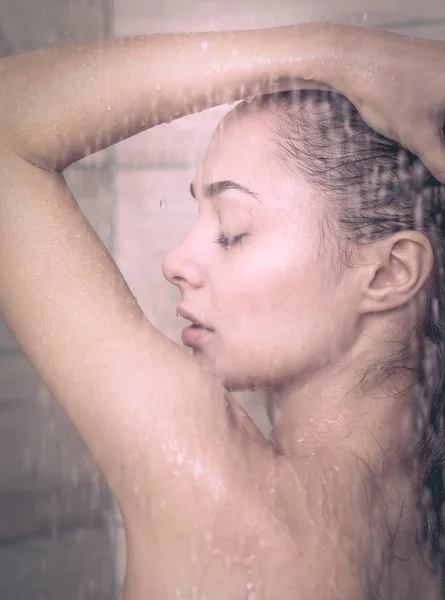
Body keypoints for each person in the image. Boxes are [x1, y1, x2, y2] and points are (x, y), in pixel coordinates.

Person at [0, 21, 445, 600]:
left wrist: (346, 53)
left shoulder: (226, 508)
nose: (175, 261)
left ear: (390, 273)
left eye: (231, 230)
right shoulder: (423, 535)